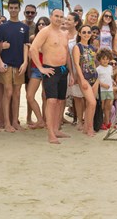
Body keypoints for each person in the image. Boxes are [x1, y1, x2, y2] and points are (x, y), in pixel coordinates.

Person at [31, 9, 74, 144]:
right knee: (51, 101)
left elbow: (66, 53)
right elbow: (33, 48)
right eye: (56, 16)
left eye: (61, 17)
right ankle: (50, 133)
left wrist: (71, 72)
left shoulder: (63, 34)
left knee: (61, 101)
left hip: (63, 70)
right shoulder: (45, 32)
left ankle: (56, 129)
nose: (59, 19)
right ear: (51, 17)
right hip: (50, 69)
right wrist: (41, 68)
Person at [0, 0, 30, 132]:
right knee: (8, 91)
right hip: (6, 64)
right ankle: (7, 123)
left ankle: (15, 121)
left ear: (19, 9)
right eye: (11, 8)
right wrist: (0, 62)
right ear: (8, 9)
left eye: (16, 8)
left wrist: (25, 62)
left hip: (19, 65)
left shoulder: (24, 27)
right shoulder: (3, 27)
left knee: (17, 93)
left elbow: (26, 46)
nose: (13, 10)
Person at [72, 25, 98, 137]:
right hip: (84, 77)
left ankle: (87, 128)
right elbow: (77, 64)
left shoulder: (92, 48)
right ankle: (89, 127)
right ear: (79, 33)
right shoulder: (77, 47)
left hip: (94, 77)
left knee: (90, 104)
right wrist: (81, 79)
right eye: (84, 32)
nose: (86, 34)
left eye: (88, 32)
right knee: (92, 102)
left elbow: (94, 64)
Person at [26, 16, 50, 129]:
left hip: (47, 68)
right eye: (39, 24)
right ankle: (40, 120)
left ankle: (46, 120)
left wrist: (35, 48)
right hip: (35, 68)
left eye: (43, 24)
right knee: (29, 95)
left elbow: (48, 52)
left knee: (45, 96)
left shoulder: (50, 37)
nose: (41, 26)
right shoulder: (33, 37)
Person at [95, 49, 114, 130]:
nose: (105, 61)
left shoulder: (110, 67)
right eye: (103, 59)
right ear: (99, 59)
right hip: (102, 90)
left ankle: (107, 122)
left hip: (109, 90)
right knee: (101, 107)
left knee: (108, 107)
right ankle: (101, 123)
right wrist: (103, 85)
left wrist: (113, 83)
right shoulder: (98, 69)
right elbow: (97, 80)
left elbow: (111, 77)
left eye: (107, 59)